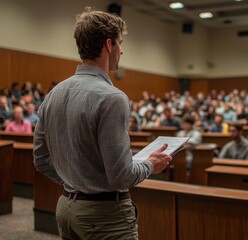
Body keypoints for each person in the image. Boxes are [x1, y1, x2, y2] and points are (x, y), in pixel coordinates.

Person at [33, 7, 172, 240]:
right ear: (109, 45)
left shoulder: (54, 93)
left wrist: (75, 180)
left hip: (67, 207)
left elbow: (40, 159)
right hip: (104, 216)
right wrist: (151, 164)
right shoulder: (112, 97)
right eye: (120, 42)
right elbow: (121, 176)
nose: (122, 50)